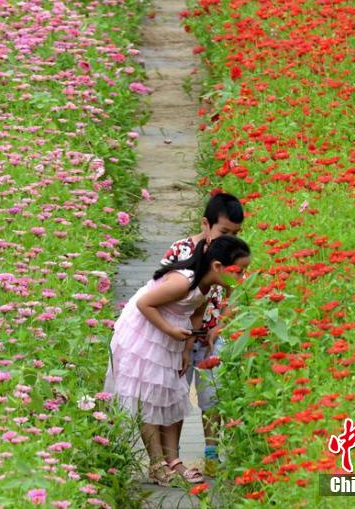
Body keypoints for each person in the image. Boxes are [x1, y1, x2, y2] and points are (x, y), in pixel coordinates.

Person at [104, 236, 251, 486]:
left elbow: (196, 313)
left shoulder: (208, 284)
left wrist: (186, 348)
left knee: (172, 391)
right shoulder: (183, 281)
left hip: (171, 333)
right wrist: (171, 331)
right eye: (239, 270)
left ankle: (173, 460)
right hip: (145, 333)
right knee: (148, 394)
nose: (242, 276)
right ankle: (157, 462)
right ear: (217, 266)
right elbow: (144, 304)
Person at [160, 192, 244, 477]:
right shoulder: (181, 250)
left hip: (212, 338)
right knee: (175, 397)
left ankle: (211, 453)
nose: (228, 238)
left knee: (212, 397)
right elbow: (162, 288)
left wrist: (222, 324)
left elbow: (234, 291)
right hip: (179, 337)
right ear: (205, 224)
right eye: (223, 231)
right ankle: (173, 459)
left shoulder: (232, 253)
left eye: (235, 233)